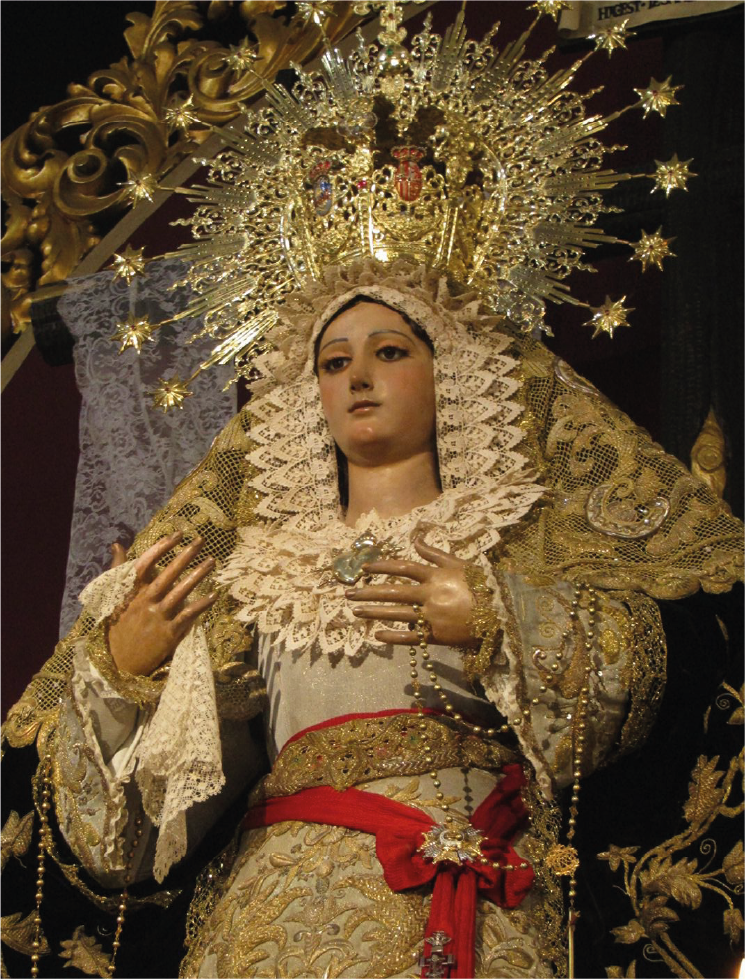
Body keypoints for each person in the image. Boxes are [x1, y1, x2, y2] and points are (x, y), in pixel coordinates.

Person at [2, 6, 744, 978]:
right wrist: (126, 672)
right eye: (332, 359)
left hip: (478, 891)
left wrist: (501, 616)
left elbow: (663, 673)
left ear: (453, 372)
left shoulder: (517, 532)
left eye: (390, 350)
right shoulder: (257, 571)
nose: (355, 375)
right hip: (270, 919)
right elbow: (127, 845)